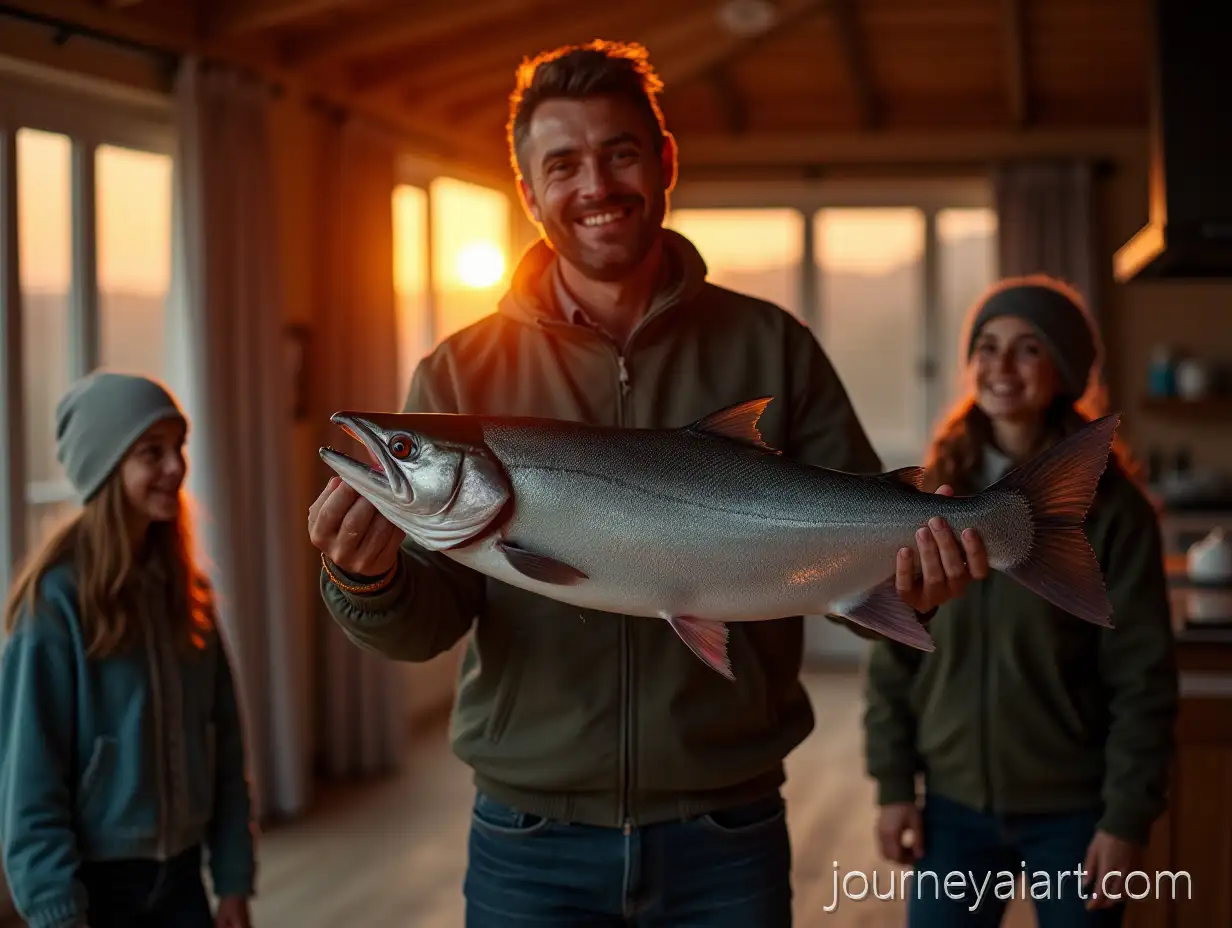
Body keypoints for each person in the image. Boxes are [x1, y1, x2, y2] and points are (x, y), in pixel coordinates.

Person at [308, 40, 986, 926]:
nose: (596, 184)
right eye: (564, 163)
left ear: (663, 160)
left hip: (726, 825)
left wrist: (919, 582)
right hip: (529, 836)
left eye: (620, 152)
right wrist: (365, 580)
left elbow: (863, 536)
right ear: (529, 191)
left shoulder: (770, 345)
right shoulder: (457, 373)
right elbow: (429, 621)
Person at [863, 275, 1178, 927]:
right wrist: (895, 786)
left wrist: (1126, 819)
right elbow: (896, 652)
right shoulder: (933, 498)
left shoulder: (1114, 511)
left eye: (1028, 348)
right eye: (986, 345)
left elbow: (1143, 679)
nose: (1000, 366)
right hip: (951, 811)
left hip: (1075, 813)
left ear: (1064, 368)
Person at [0, 372, 257, 928]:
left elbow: (226, 744)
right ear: (106, 467)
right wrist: (56, 910)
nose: (176, 467)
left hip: (184, 880)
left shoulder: (190, 594)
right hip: (96, 889)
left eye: (178, 447)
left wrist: (234, 877)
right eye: (151, 452)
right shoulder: (53, 607)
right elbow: (29, 784)